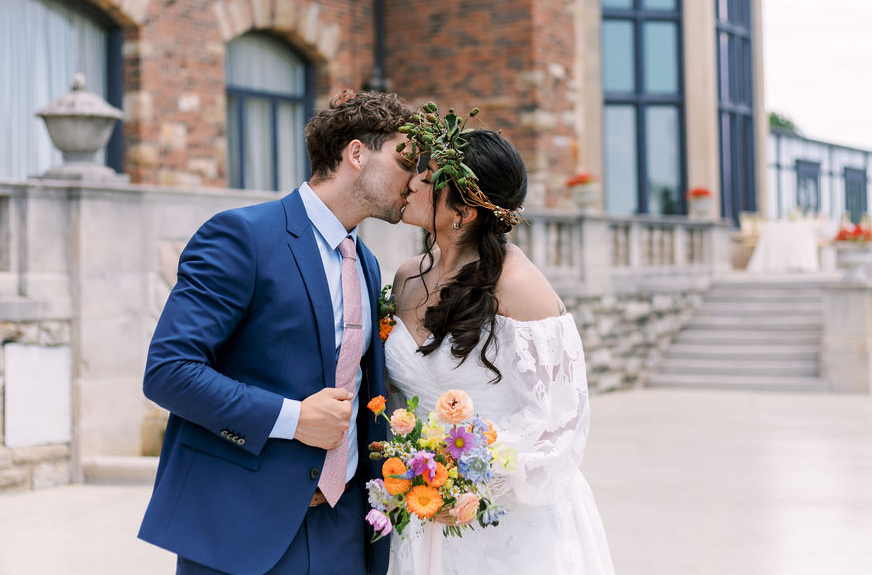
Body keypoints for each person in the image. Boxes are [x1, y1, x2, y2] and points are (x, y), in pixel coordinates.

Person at [138, 90, 417, 574]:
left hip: (344, 529)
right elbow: (169, 372)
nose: (415, 179)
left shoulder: (368, 264)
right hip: (240, 529)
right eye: (406, 160)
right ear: (357, 154)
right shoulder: (242, 237)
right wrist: (292, 419)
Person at [383, 119, 615, 574]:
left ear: (462, 212)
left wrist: (468, 479)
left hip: (503, 523)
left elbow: (559, 425)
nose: (411, 182)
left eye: (427, 180)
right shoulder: (407, 276)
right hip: (417, 510)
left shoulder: (520, 287)